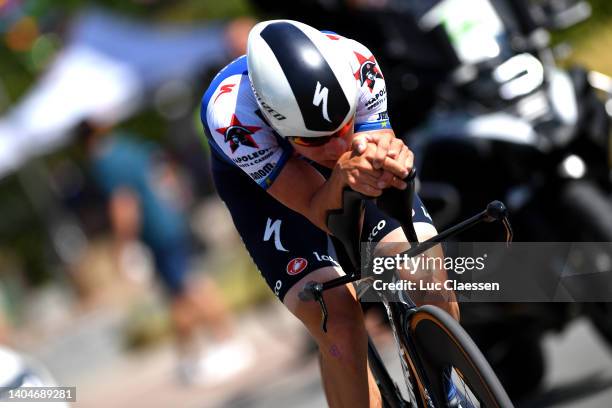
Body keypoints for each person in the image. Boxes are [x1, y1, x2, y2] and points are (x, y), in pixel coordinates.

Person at [200, 20, 459, 407]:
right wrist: (340, 172)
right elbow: (318, 212)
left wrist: (387, 161)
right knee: (335, 319)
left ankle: (445, 386)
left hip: (322, 152)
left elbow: (374, 155)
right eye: (315, 140)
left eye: (344, 125)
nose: (336, 145)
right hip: (265, 187)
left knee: (418, 264)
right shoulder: (232, 118)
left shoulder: (358, 63)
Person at [78, 123, 253, 385]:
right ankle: (189, 357)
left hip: (157, 232)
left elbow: (124, 205)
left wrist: (123, 246)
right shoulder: (130, 145)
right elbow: (164, 172)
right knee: (178, 296)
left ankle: (228, 340)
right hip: (170, 220)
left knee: (191, 287)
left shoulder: (105, 161)